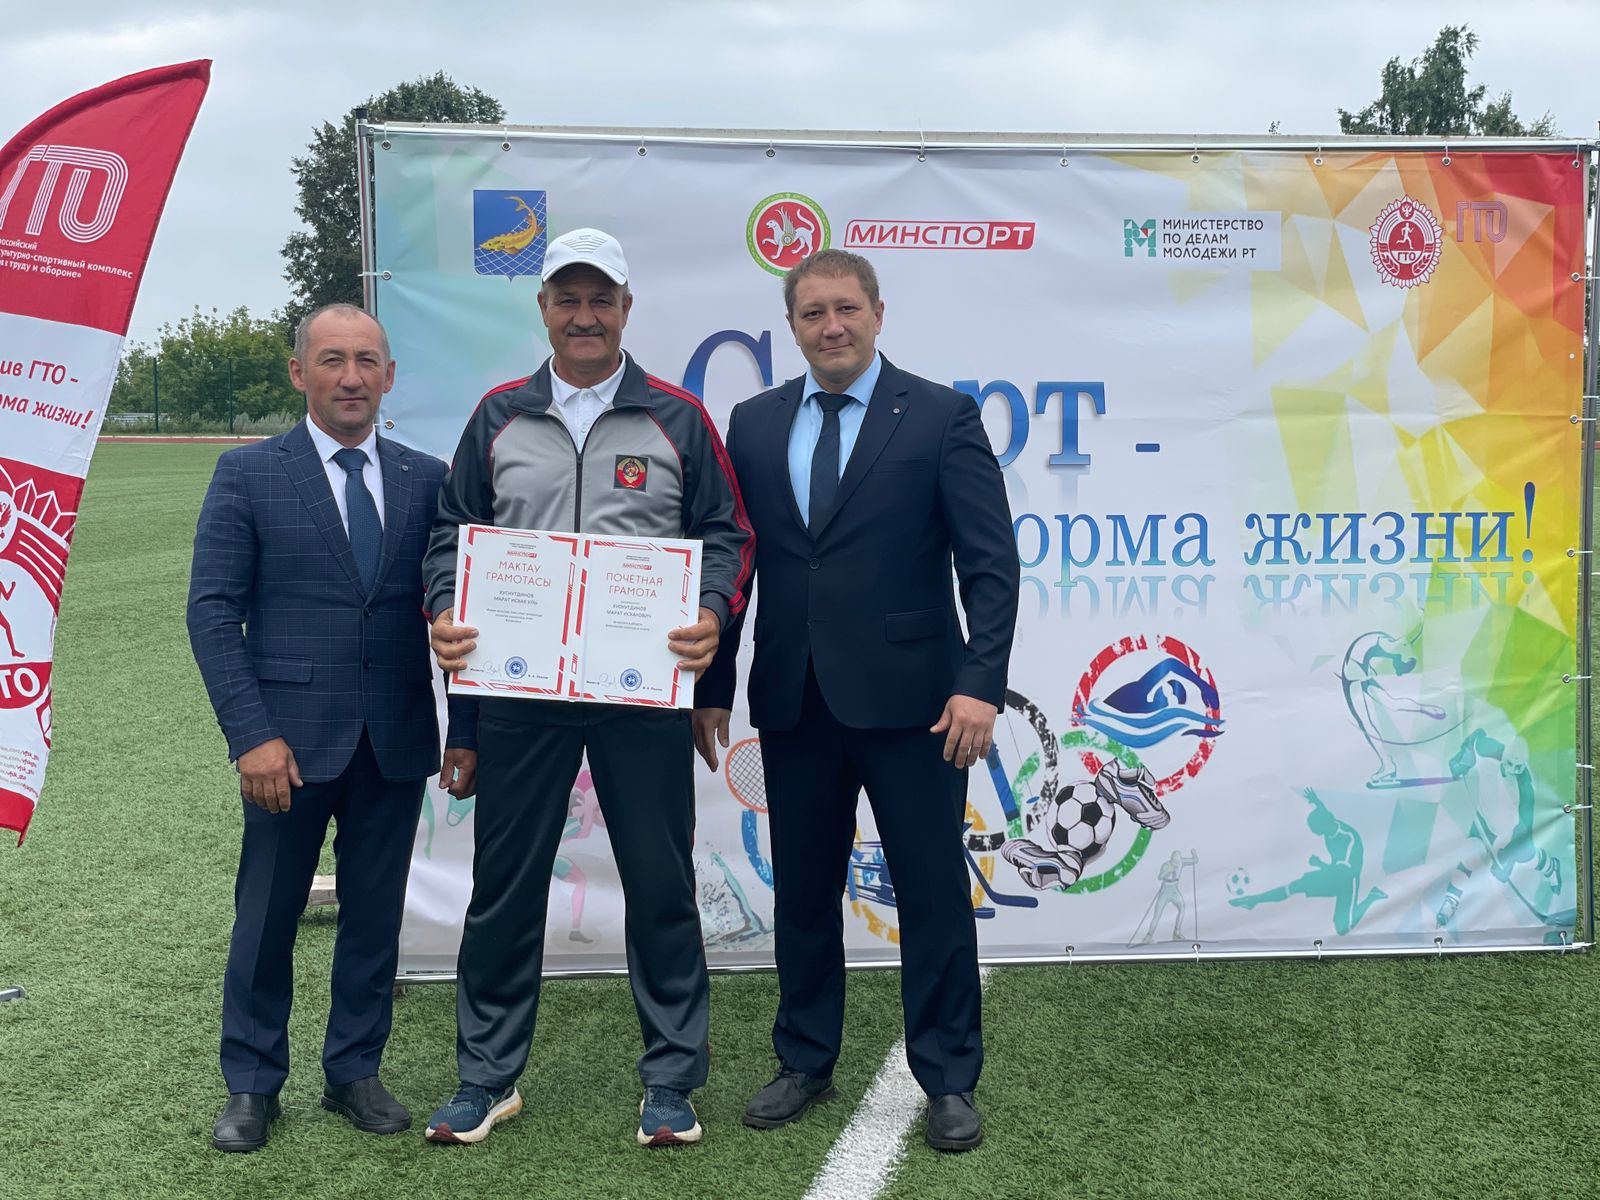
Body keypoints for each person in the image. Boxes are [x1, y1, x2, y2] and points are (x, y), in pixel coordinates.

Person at [422, 228, 753, 1148]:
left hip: (640, 691)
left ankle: (672, 1081)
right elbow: (452, 532)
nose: (584, 316)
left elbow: (727, 535)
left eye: (600, 299)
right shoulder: (497, 416)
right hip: (520, 692)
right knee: (504, 885)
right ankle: (487, 1077)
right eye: (567, 299)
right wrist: (445, 607)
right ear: (543, 310)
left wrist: (711, 612)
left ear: (626, 309)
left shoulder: (678, 418)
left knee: (660, 883)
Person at [694, 248, 1018, 1152]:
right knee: (802, 890)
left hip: (919, 706)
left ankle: (948, 1077)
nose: (831, 327)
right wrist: (712, 686)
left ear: (879, 313)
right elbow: (736, 566)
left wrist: (979, 685)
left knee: (932, 892)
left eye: (846, 309)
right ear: (791, 327)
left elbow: (990, 564)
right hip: (795, 699)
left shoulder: (942, 415)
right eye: (813, 313)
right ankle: (804, 1058)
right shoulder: (754, 423)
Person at [187, 303, 477, 1153]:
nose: (351, 378)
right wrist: (251, 735)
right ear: (299, 373)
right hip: (285, 746)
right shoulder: (248, 474)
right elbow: (213, 612)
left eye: (367, 362)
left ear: (389, 376)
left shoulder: (427, 478)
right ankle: (251, 1084)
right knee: (267, 917)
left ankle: (354, 1071)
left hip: (394, 739)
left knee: (374, 918)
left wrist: (463, 728)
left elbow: (458, 612)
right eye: (332, 361)